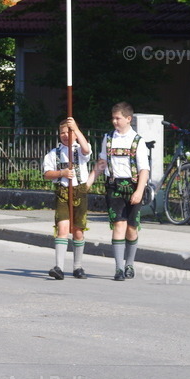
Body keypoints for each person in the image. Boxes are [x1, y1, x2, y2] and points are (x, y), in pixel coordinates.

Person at [91, 102, 150, 281]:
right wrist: (90, 180)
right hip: (113, 186)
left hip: (133, 186)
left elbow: (144, 169)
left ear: (128, 119)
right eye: (113, 118)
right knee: (118, 224)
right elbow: (102, 162)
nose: (114, 121)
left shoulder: (137, 141)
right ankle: (118, 268)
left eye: (118, 118)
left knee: (131, 228)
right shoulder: (108, 138)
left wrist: (139, 191)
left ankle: (129, 264)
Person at [41, 117, 92, 279]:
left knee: (78, 231)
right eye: (62, 132)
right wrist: (61, 173)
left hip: (80, 192)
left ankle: (78, 267)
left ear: (75, 134)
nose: (65, 135)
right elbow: (47, 174)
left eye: (68, 132)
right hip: (63, 193)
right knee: (62, 229)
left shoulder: (79, 150)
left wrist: (75, 128)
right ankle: (59, 267)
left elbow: (86, 150)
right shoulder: (53, 154)